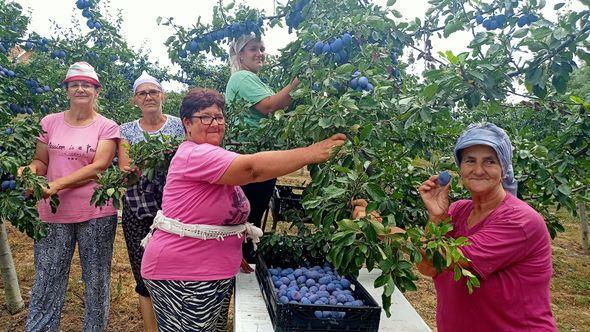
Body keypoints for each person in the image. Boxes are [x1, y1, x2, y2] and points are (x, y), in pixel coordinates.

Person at [140, 87, 345, 332]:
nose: (214, 123)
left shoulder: (216, 154)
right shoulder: (195, 154)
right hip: (184, 275)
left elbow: (215, 214)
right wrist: (311, 153)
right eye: (205, 117)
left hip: (209, 271)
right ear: (187, 123)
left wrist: (229, 249)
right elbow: (252, 170)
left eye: (219, 117)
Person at [417, 123, 556, 331]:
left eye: (489, 161)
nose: (479, 170)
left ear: (504, 169)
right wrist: (436, 217)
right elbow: (428, 267)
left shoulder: (520, 221)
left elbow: (448, 258)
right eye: (470, 161)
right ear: (460, 168)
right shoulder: (456, 211)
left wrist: (383, 232)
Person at [20, 61, 120, 331]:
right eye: (74, 84)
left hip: (95, 213)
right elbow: (40, 161)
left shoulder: (107, 127)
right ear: (66, 89)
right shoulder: (49, 122)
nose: (80, 89)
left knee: (96, 280)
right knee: (48, 277)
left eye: (87, 85)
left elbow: (98, 167)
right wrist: (27, 172)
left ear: (96, 91)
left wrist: (57, 185)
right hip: (53, 212)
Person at [118, 71, 184, 332]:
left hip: (176, 208)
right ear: (135, 100)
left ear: (163, 96)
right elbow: (126, 171)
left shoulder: (180, 126)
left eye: (153, 92)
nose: (148, 97)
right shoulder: (125, 130)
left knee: (175, 270)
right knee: (143, 270)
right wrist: (156, 157)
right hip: (138, 210)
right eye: (142, 93)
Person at [226, 33, 300, 262]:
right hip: (250, 157)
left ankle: (243, 263)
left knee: (251, 217)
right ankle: (239, 265)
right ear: (240, 54)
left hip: (258, 157)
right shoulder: (242, 78)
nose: (260, 54)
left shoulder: (254, 80)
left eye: (262, 48)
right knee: (246, 217)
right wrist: (300, 79)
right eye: (253, 49)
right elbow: (270, 106)